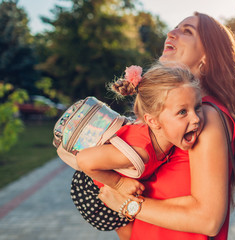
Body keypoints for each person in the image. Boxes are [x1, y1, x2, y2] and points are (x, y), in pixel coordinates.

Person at [99, 12, 235, 240]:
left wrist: (126, 204)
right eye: (175, 27)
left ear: (207, 57)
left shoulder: (207, 117)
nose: (170, 33)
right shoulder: (174, 117)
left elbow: (209, 220)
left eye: (187, 31)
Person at [71, 62, 204, 239]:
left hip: (113, 177)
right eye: (182, 112)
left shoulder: (165, 139)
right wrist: (119, 184)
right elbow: (84, 160)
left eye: (197, 107)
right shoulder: (141, 151)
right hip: (93, 189)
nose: (196, 118)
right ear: (154, 121)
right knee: (132, 235)